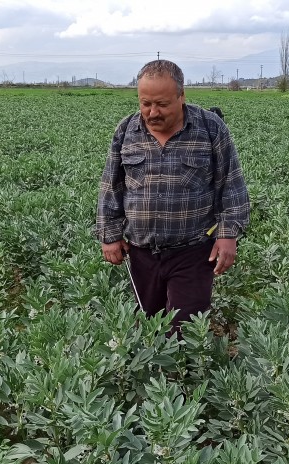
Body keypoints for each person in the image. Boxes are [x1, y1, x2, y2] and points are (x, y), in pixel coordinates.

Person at [95, 59, 250, 333]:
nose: (152, 112)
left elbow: (232, 184)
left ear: (181, 97)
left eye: (162, 104)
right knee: (149, 324)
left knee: (186, 329)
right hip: (141, 252)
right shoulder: (126, 130)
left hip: (193, 251)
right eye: (145, 103)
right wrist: (110, 235)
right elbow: (111, 184)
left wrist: (228, 235)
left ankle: (185, 375)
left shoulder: (211, 128)